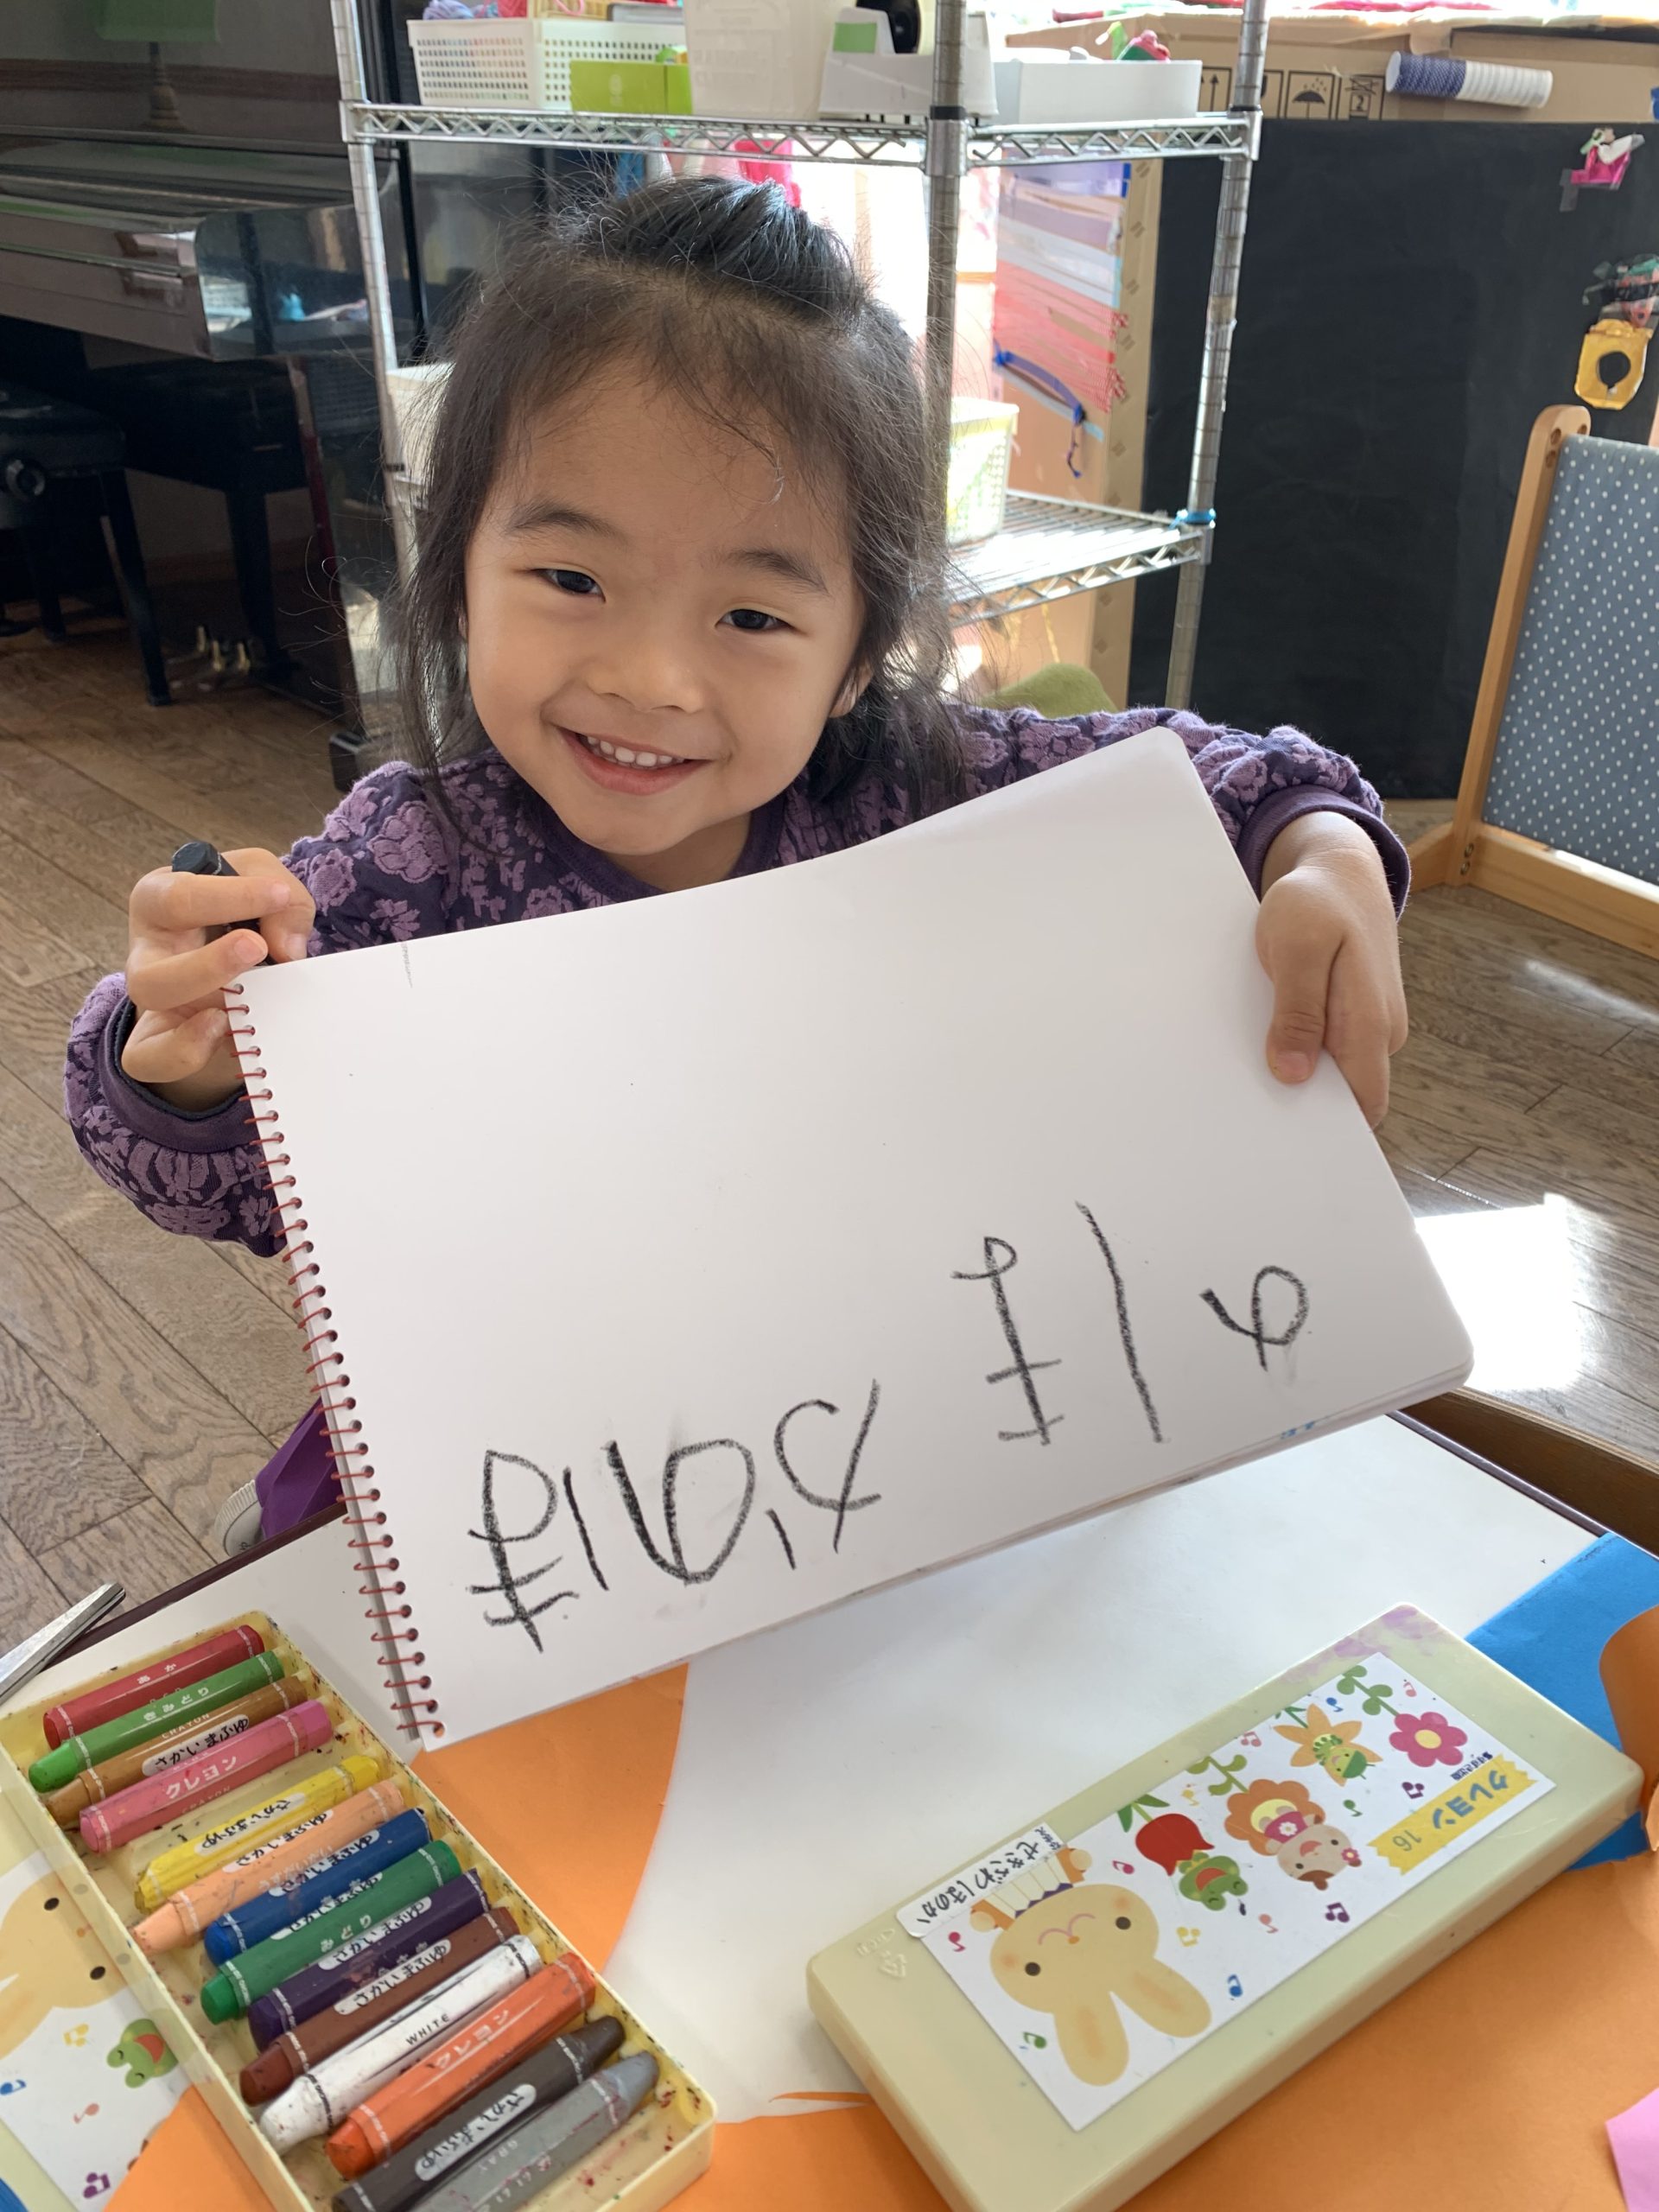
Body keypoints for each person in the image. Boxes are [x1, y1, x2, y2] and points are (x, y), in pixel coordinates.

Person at [64, 178, 1408, 1551]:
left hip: (871, 1453)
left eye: (753, 615)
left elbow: (1203, 772)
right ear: (457, 570)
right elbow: (219, 1185)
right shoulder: (405, 867)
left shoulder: (916, 789)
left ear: (858, 656)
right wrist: (187, 1061)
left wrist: (1319, 845)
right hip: (523, 1511)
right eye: (572, 580)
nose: (652, 678)